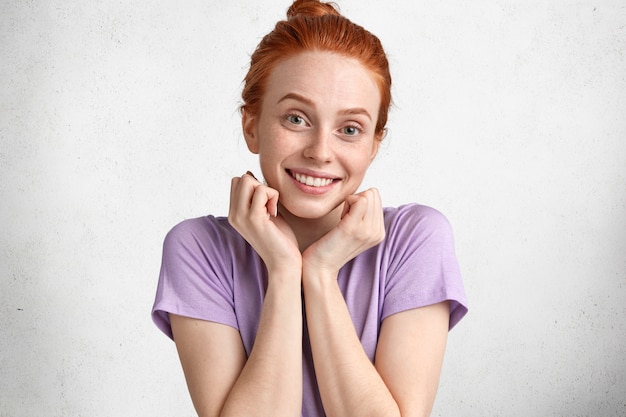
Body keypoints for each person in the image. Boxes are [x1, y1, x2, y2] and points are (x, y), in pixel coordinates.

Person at [152, 1, 468, 416]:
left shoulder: (416, 239)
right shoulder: (198, 249)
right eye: (296, 119)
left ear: (374, 144)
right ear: (252, 126)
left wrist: (319, 274)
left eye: (350, 129)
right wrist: (284, 272)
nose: (321, 152)